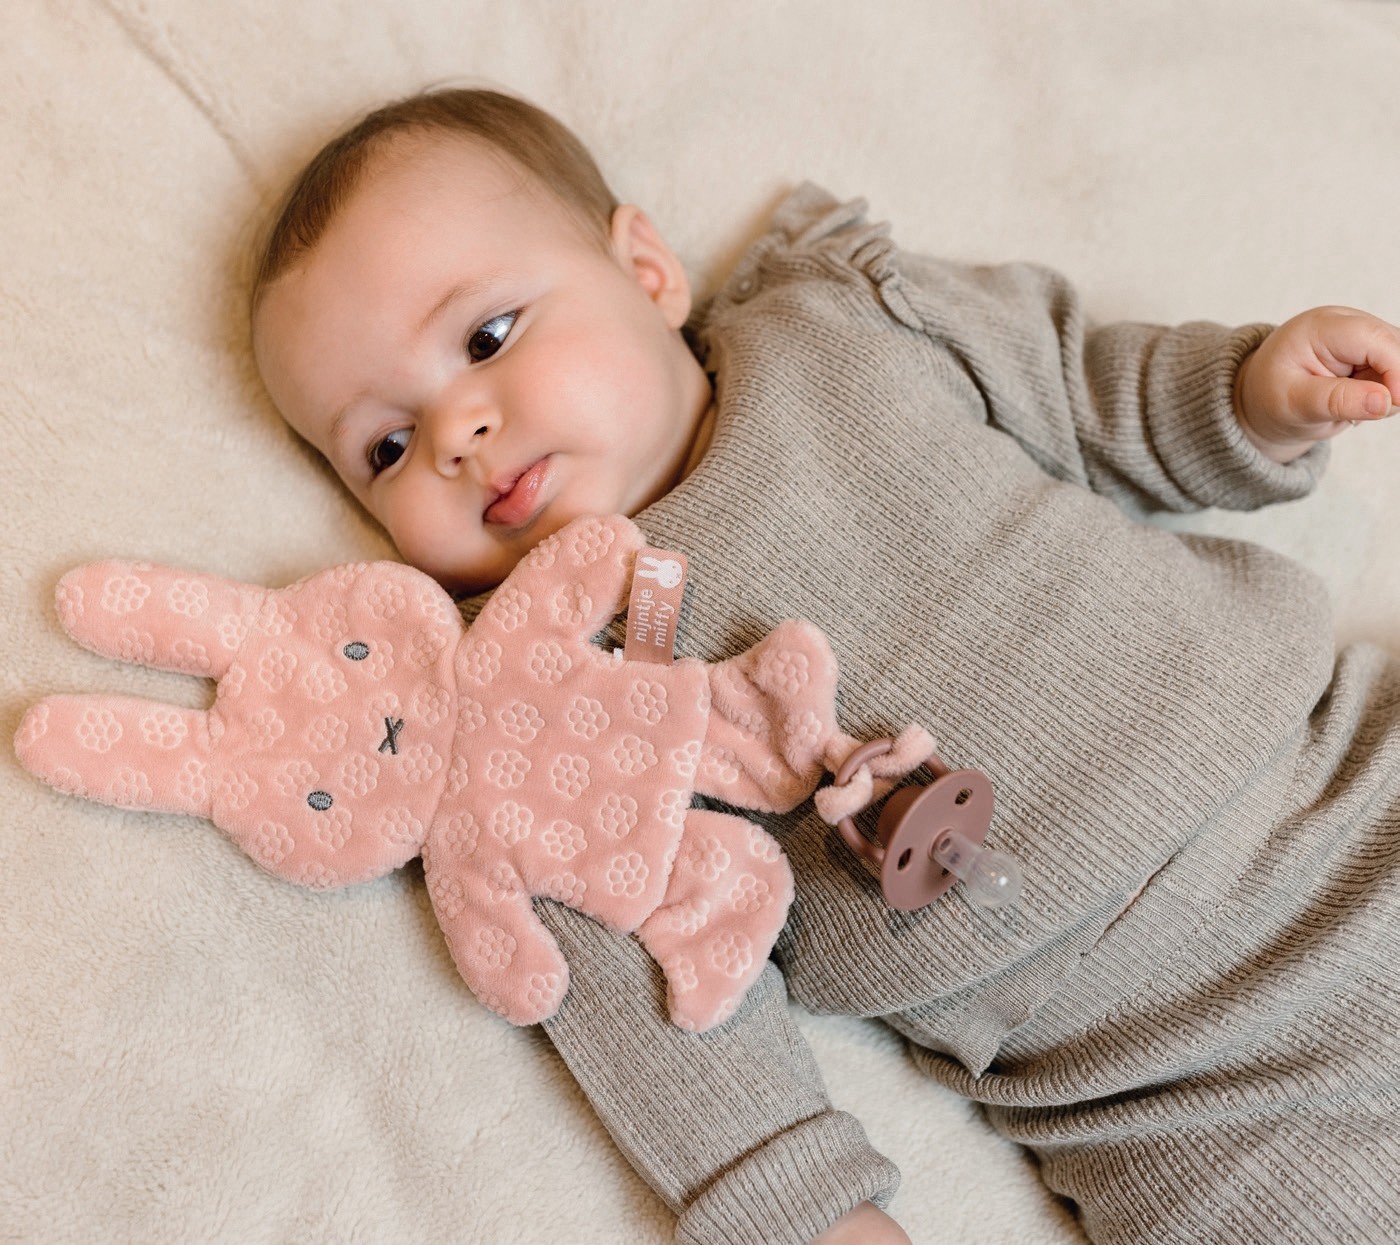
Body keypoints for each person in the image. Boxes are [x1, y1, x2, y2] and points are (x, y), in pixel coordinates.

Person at [249, 87, 1400, 1245]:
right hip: (1182, 1091)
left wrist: (1249, 400)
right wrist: (812, 1208)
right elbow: (655, 1000)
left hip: (1341, 793)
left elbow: (1087, 393)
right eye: (385, 446)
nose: (454, 435)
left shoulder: (839, 321)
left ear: (645, 272)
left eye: (488, 338)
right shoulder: (542, 710)